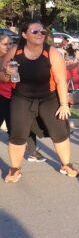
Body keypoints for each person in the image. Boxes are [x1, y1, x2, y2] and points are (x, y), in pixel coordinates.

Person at [3, 21, 79, 183]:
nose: (40, 34)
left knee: (60, 132)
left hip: (48, 98)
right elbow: (3, 77)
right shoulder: (15, 51)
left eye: (42, 32)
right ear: (24, 34)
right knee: (17, 135)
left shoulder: (51, 52)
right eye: (35, 31)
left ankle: (66, 165)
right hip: (21, 97)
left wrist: (64, 104)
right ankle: (15, 169)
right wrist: (7, 72)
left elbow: (60, 80)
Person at [0, 34, 41, 162]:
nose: (9, 46)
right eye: (5, 44)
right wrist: (7, 72)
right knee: (13, 128)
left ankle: (32, 152)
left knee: (26, 123)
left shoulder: (16, 57)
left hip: (18, 95)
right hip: (2, 97)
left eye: (11, 43)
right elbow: (4, 78)